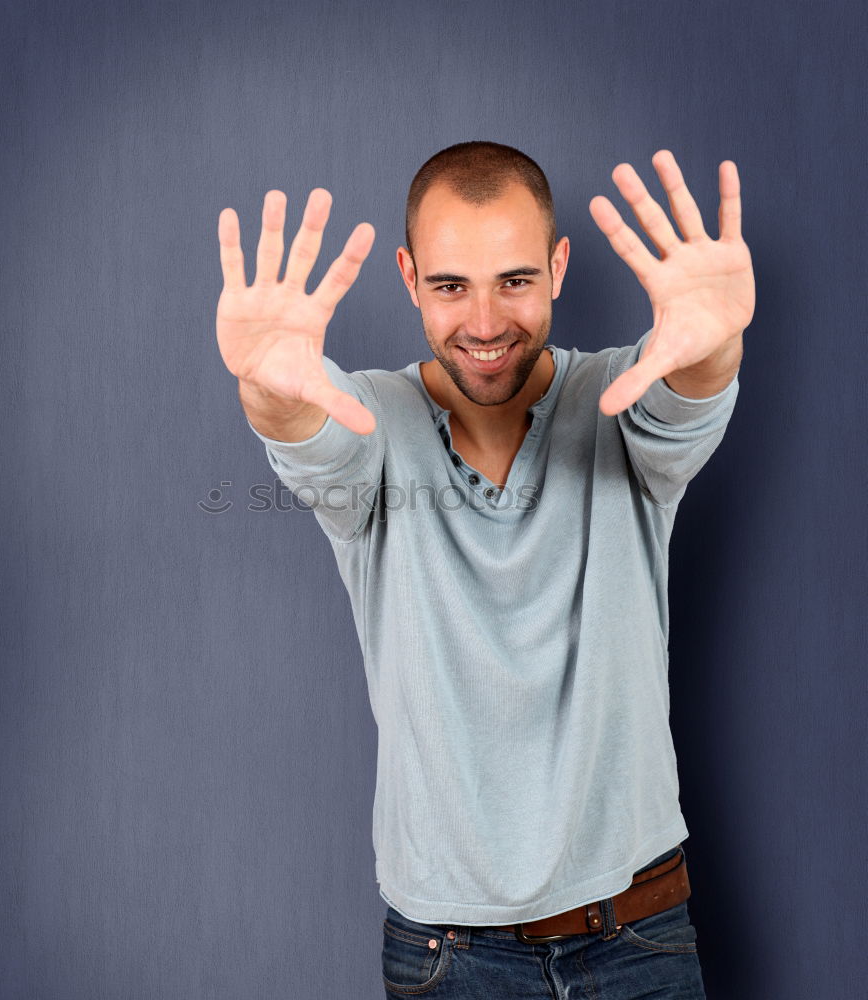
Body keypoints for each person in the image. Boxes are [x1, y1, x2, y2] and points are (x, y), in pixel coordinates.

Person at [216, 141, 754, 999]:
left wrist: (713, 350)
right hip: (449, 957)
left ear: (559, 265)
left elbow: (684, 400)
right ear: (407, 275)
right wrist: (268, 394)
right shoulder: (368, 420)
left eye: (514, 280)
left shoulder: (622, 396)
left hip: (639, 933)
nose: (486, 322)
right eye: (449, 285)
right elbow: (311, 447)